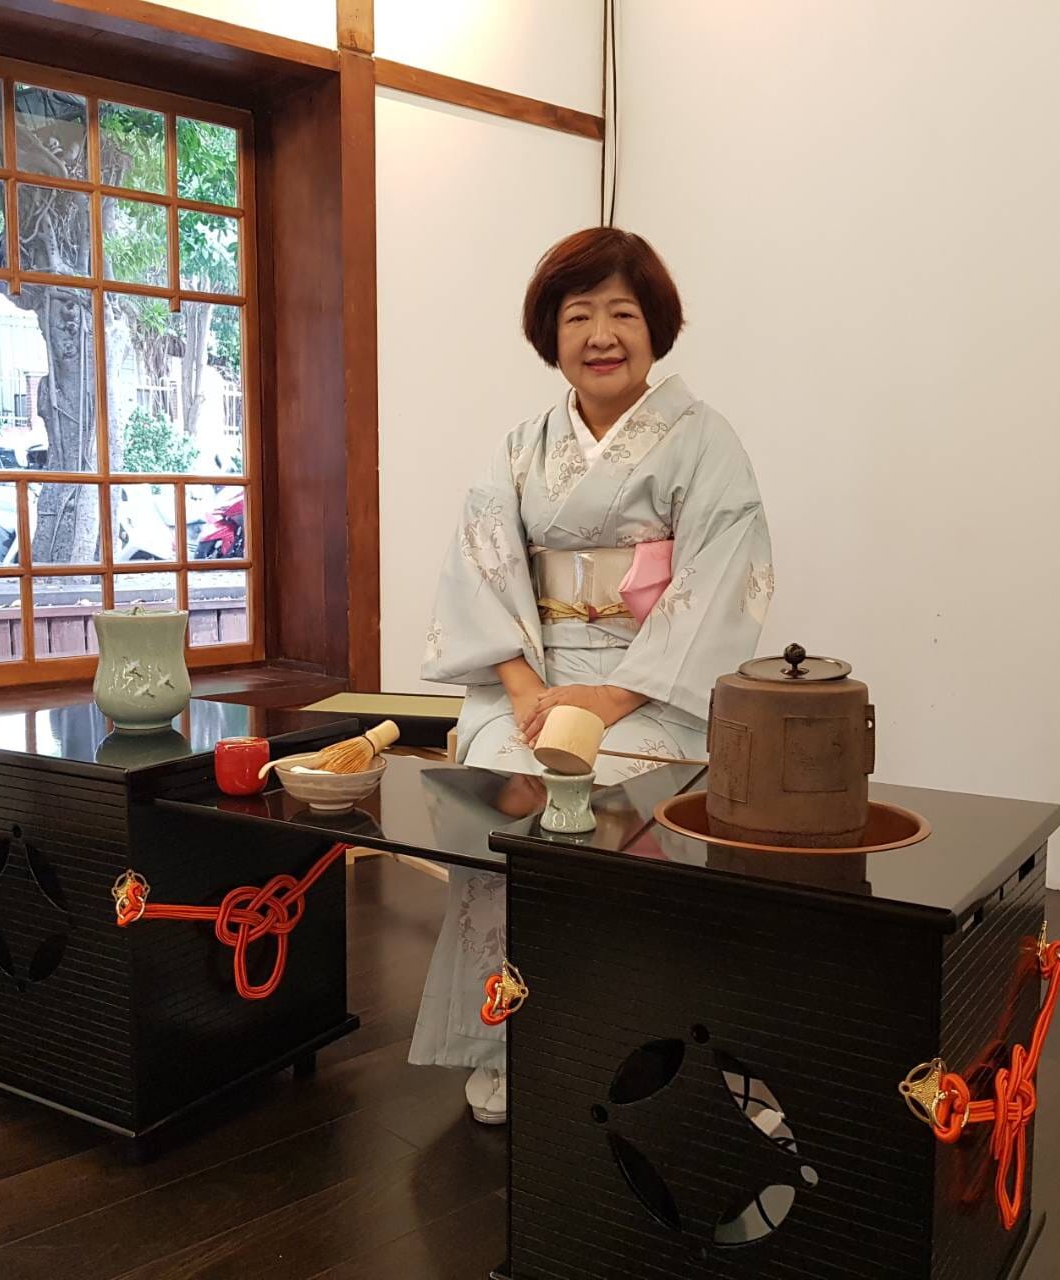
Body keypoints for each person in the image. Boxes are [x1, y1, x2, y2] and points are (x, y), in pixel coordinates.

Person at [411, 227, 774, 1124]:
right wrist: (528, 692)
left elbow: (718, 583)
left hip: (654, 690)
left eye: (623, 313)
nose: (601, 335)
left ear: (656, 328)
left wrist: (611, 697)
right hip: (530, 683)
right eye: (579, 315)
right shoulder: (520, 448)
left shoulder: (705, 442)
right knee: (500, 802)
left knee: (618, 804)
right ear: (552, 333)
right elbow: (481, 569)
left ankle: (640, 1034)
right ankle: (505, 1039)